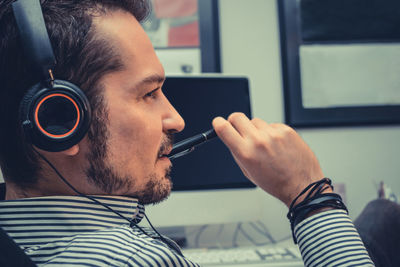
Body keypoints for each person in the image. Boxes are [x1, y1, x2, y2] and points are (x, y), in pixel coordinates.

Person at [0, 0, 375, 266]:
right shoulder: (141, 260)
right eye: (149, 93)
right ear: (59, 120)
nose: (177, 119)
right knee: (385, 220)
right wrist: (310, 196)